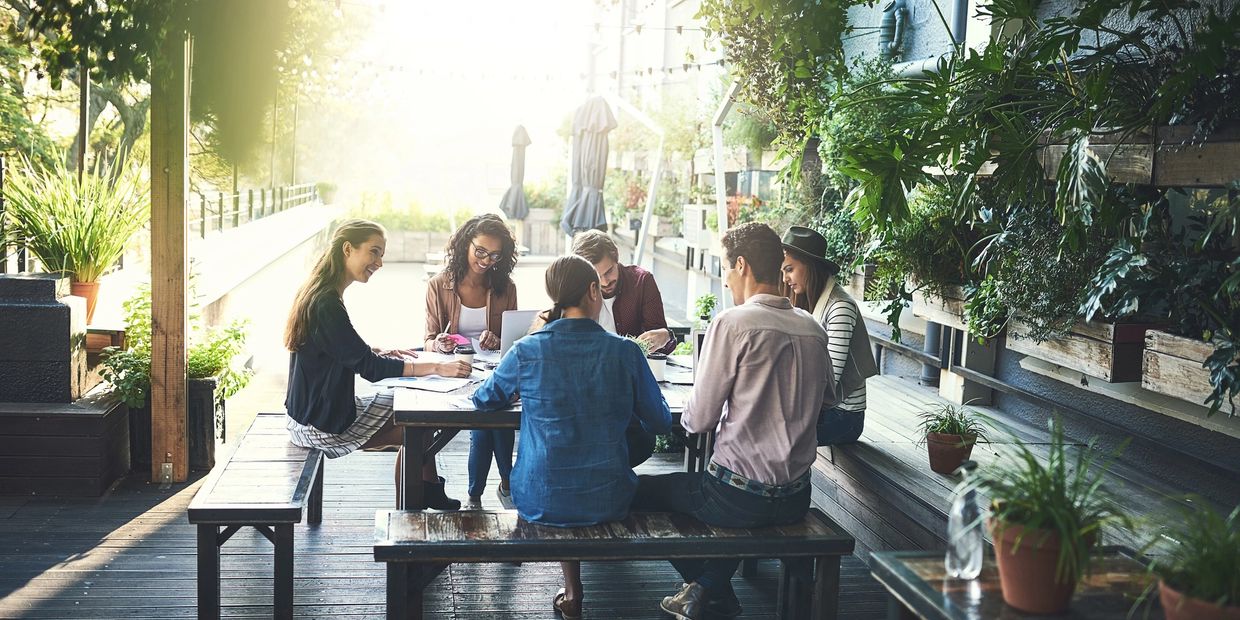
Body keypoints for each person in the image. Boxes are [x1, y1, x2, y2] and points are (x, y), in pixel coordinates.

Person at [631, 222, 839, 620]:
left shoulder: (733, 323)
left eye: (726, 268)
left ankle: (709, 587)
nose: (726, 280)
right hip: (796, 497)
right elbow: (829, 398)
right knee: (699, 492)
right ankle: (706, 589)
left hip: (736, 498)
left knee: (635, 492)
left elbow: (699, 420)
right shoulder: (812, 328)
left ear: (741, 265)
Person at [472, 255, 673, 620]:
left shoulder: (528, 350)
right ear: (594, 290)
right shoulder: (625, 352)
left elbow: (484, 399)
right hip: (608, 495)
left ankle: (574, 592)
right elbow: (660, 421)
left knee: (560, 464)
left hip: (537, 496)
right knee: (591, 468)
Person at [284, 219, 471, 510]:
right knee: (418, 427)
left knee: (417, 423)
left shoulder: (321, 292)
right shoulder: (326, 303)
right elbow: (370, 370)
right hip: (318, 424)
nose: (379, 262)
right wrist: (436, 368)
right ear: (348, 249)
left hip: (310, 414)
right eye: (374, 252)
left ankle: (423, 496)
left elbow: (334, 349)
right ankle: (413, 509)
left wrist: (377, 351)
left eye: (381, 254)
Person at [425, 213, 520, 510]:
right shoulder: (439, 285)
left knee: (490, 420)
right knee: (491, 419)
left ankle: (475, 497)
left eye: (495, 255)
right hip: (454, 374)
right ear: (465, 244)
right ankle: (506, 486)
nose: (486, 260)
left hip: (494, 372)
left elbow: (514, 340)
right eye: (480, 251)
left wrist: (498, 338)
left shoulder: (506, 287)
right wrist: (439, 343)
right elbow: (427, 340)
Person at [781, 226, 878, 445]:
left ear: (810, 266)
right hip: (820, 408)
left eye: (789, 269)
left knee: (773, 432)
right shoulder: (810, 301)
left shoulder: (840, 307)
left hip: (843, 417)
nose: (785, 279)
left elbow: (829, 382)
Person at [571, 229, 676, 355]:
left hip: (632, 370)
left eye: (609, 271)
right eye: (596, 276)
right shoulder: (575, 289)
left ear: (616, 255)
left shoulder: (642, 282)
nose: (605, 282)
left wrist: (665, 336)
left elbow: (662, 347)